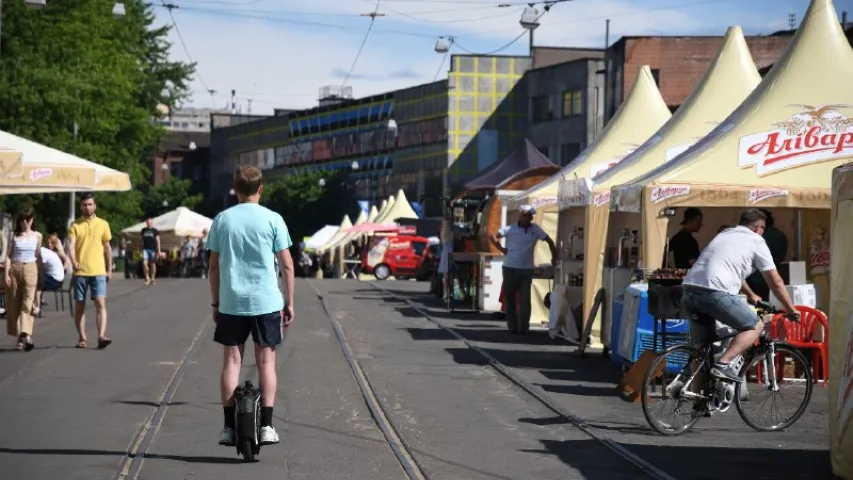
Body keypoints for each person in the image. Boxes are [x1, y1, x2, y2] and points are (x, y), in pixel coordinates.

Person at [209, 165, 295, 447]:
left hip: (232, 301)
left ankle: (226, 428)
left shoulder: (222, 220)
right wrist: (289, 302)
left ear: (236, 189)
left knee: (232, 361)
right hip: (266, 301)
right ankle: (268, 426)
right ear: (261, 188)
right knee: (266, 361)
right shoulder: (274, 219)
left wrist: (216, 302)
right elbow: (287, 266)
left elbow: (213, 268)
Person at [681, 209, 799, 383]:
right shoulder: (756, 241)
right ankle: (723, 365)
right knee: (754, 325)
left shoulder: (725, 234)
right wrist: (791, 309)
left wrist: (750, 295)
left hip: (689, 290)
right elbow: (775, 282)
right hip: (714, 293)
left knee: (702, 353)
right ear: (759, 228)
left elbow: (730, 270)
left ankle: (698, 406)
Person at [490, 204, 557, 334]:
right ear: (520, 216)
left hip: (526, 270)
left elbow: (549, 241)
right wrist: (501, 249)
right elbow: (492, 236)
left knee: (525, 300)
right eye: (524, 215)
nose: (527, 218)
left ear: (532, 217)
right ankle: (512, 327)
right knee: (510, 299)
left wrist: (554, 257)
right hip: (509, 268)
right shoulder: (510, 229)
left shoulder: (535, 229)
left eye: (529, 215)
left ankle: (523, 328)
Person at [67, 192, 113, 350]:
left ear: (95, 206)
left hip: (98, 270)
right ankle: (82, 338)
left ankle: (101, 336)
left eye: (90, 204)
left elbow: (107, 248)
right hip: (80, 272)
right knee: (80, 306)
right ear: (80, 206)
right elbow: (71, 245)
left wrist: (109, 268)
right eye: (84, 204)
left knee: (100, 303)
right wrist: (73, 261)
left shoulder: (103, 224)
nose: (87, 207)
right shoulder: (75, 225)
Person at [4, 208, 44, 351]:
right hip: (15, 267)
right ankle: (20, 337)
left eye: (28, 219)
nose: (25, 223)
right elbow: (8, 255)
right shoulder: (13, 235)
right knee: (14, 303)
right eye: (22, 220)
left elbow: (38, 255)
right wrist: (6, 274)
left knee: (27, 302)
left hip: (31, 268)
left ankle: (26, 335)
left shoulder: (37, 236)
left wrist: (41, 274)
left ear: (32, 220)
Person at [746, 208, 788, 300]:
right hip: (775, 275)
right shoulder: (782, 235)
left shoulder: (761, 237)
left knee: (757, 306)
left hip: (757, 277)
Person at [33, 233, 70, 316]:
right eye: (48, 243)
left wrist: (62, 269)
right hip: (52, 274)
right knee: (39, 280)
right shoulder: (47, 251)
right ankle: (37, 302)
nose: (49, 245)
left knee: (37, 283)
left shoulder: (57, 252)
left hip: (56, 277)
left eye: (51, 243)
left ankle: (36, 306)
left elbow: (67, 261)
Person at [139, 218, 160, 285]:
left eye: (150, 222)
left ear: (152, 223)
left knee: (153, 264)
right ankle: (147, 277)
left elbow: (158, 241)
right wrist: (139, 249)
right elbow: (141, 240)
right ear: (146, 223)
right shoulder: (143, 230)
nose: (149, 224)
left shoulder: (155, 231)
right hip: (145, 249)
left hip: (153, 249)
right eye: (148, 222)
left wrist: (159, 250)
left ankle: (153, 278)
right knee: (144, 264)